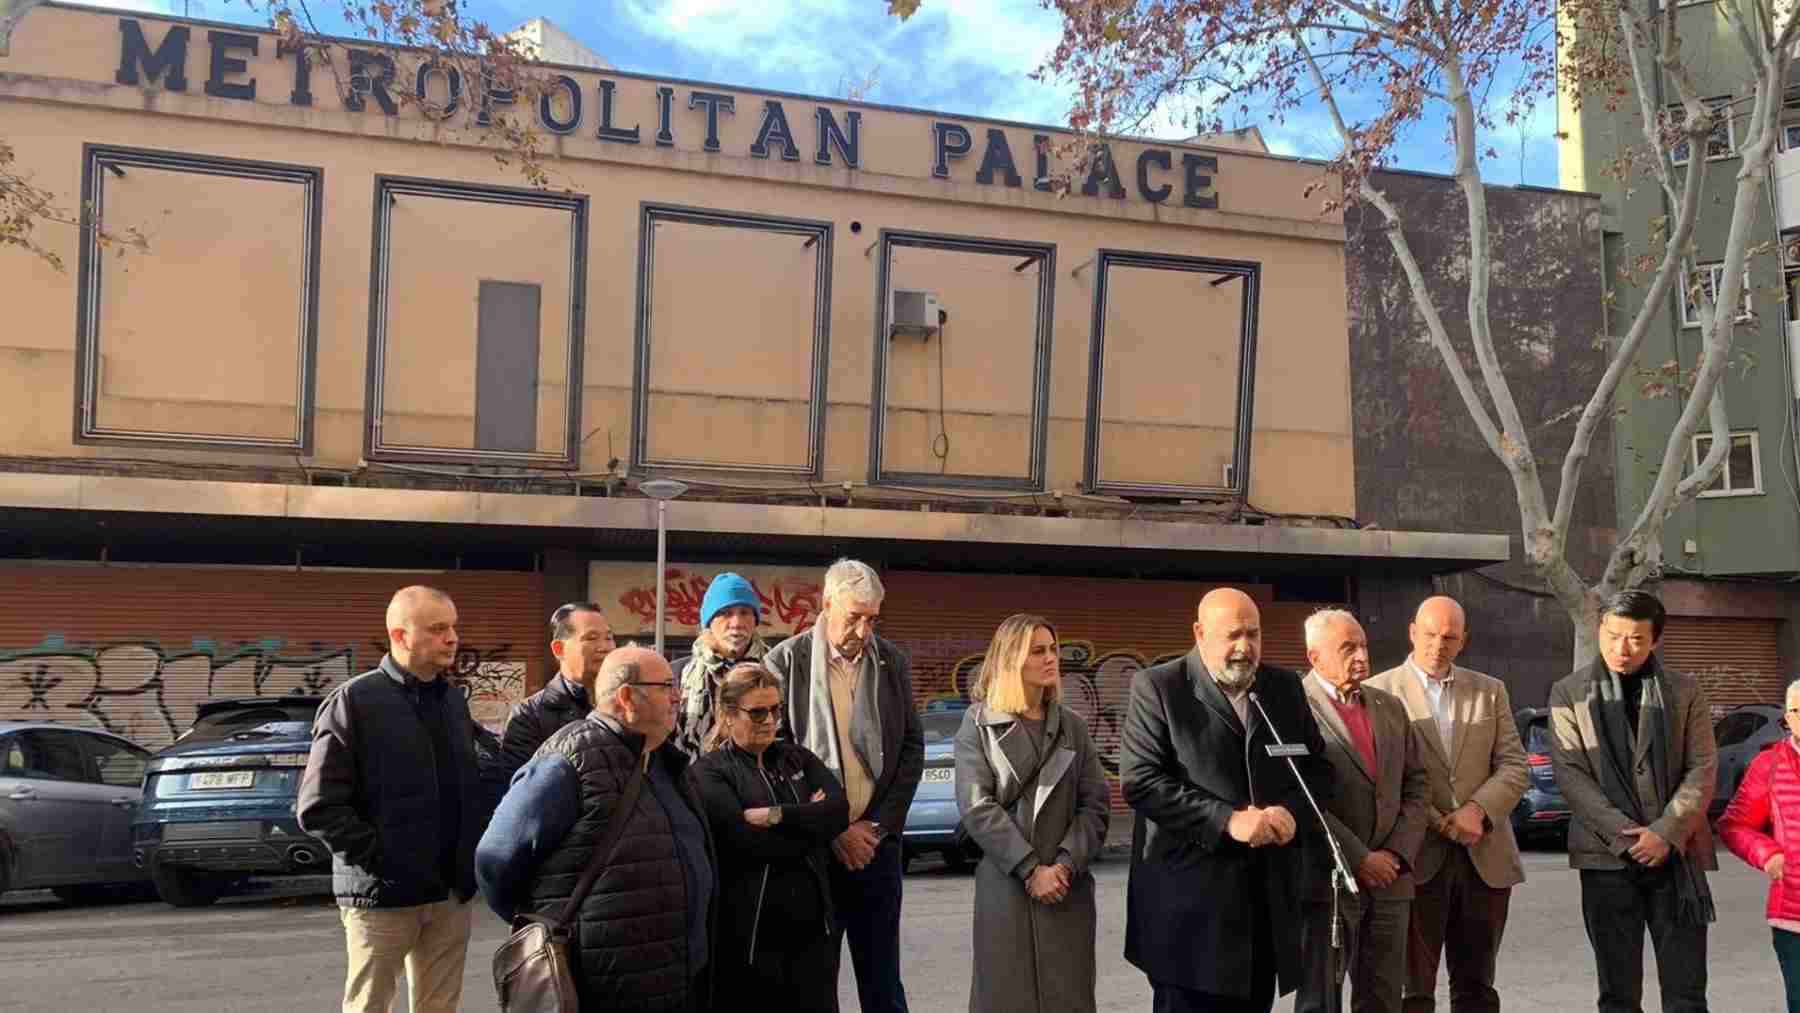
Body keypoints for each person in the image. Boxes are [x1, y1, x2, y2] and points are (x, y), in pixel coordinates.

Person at [1120, 586, 1332, 1013]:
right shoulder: (1159, 687)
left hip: (1265, 912)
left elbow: (1318, 771)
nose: (1245, 647)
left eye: (1253, 635)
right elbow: (1141, 781)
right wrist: (1227, 820)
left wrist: (1291, 811)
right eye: (1233, 635)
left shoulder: (1283, 687)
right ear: (1199, 632)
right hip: (1190, 919)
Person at [475, 646, 716, 1012]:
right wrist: (545, 923)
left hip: (672, 977)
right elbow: (496, 861)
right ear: (626, 697)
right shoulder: (569, 761)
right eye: (666, 685)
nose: (677, 695)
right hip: (601, 983)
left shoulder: (666, 759)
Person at [297, 585, 485, 1013]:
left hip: (449, 895)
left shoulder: (452, 701)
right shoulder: (355, 701)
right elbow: (318, 806)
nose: (452, 638)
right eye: (438, 629)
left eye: (453, 627)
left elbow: (468, 786)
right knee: (370, 1006)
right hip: (381, 896)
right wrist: (384, 862)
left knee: (439, 1006)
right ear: (400, 636)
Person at [767, 557, 924, 1013]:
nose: (863, 629)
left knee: (883, 979)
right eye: (854, 616)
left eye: (872, 619)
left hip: (877, 845)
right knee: (816, 979)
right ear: (827, 602)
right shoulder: (784, 662)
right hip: (815, 850)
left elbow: (911, 748)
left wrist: (875, 828)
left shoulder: (892, 661)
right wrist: (834, 830)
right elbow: (779, 755)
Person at [1550, 589, 1717, 1013]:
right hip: (1606, 862)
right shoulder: (1569, 693)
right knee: (1618, 994)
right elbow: (1572, 777)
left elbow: (1702, 768)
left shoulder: (1685, 691)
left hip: (1676, 860)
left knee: (1687, 995)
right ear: (1599, 631)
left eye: (1636, 639)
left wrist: (1665, 833)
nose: (1621, 649)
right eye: (1612, 636)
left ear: (1656, 640)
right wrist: (1628, 838)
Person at [1366, 596, 1528, 1013]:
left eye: (1450, 637)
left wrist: (1478, 811)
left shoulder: (1490, 691)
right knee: (1413, 990)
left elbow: (1513, 764)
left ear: (1463, 641)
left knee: (1477, 987)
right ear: (1412, 632)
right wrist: (1439, 820)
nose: (1439, 644)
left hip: (1484, 856)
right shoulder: (1378, 692)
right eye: (1431, 634)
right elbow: (1384, 776)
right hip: (1416, 855)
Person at [954, 613, 1111, 1013]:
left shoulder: (1073, 726)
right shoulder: (978, 725)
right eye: (1037, 650)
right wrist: (1029, 868)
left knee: (1068, 998)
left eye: (1053, 649)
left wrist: (1062, 865)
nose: (1051, 658)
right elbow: (976, 807)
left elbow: (1095, 804)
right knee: (1006, 998)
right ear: (1011, 659)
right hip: (1007, 887)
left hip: (1066, 888)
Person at [689, 662, 848, 1013]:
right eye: (757, 712)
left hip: (813, 925)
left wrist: (778, 815)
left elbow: (838, 812)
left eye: (775, 710)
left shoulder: (796, 758)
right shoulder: (710, 771)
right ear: (728, 715)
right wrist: (811, 823)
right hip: (751, 929)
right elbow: (743, 840)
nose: (769, 721)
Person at [1297, 609, 1431, 1013]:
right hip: (1331, 881)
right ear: (1314, 657)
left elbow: (1418, 784)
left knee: (1384, 997)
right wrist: (1360, 858)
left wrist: (1394, 854)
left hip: (1392, 879)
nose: (1361, 657)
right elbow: (1302, 796)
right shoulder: (1293, 707)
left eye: (1363, 646)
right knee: (1322, 998)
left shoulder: (1388, 705)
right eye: (1347, 648)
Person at [1717, 677, 1800, 1012]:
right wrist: (1768, 855)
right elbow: (1734, 824)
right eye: (1797, 710)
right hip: (1794, 917)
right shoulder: (1770, 764)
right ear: (1788, 718)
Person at [488, 602, 615, 783]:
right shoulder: (529, 715)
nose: (604, 647)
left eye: (609, 638)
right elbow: (519, 788)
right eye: (591, 638)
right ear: (559, 649)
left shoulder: (626, 703)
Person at [672, 572, 770, 758]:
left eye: (745, 613)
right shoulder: (678, 674)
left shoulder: (775, 668)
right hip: (695, 780)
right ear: (709, 622)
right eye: (726, 613)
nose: (737, 623)